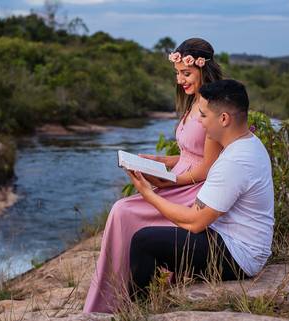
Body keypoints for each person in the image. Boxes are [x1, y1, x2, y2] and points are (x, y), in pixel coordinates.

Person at [83, 38, 223, 313]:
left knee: (123, 210)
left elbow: (207, 167)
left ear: (202, 69)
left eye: (186, 73)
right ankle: (112, 297)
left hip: (195, 188)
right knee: (121, 209)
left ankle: (120, 298)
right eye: (178, 74)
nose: (180, 80)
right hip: (180, 180)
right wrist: (157, 161)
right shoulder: (194, 102)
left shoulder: (213, 106)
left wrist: (169, 180)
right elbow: (187, 154)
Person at [126, 79, 275, 298]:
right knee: (164, 229)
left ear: (224, 119)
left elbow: (195, 223)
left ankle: (140, 309)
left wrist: (148, 194)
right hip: (233, 240)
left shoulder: (235, 160)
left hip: (239, 257)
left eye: (203, 115)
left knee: (144, 241)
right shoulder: (248, 143)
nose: (201, 122)